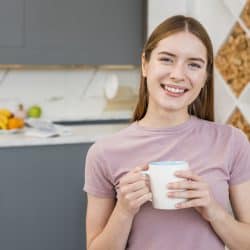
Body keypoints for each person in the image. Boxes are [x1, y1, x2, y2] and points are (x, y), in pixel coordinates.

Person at [83, 15, 250, 250]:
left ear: (205, 77)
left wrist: (213, 211)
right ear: (145, 64)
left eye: (194, 64)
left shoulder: (231, 142)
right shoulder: (103, 153)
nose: (178, 74)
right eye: (167, 59)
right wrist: (124, 210)